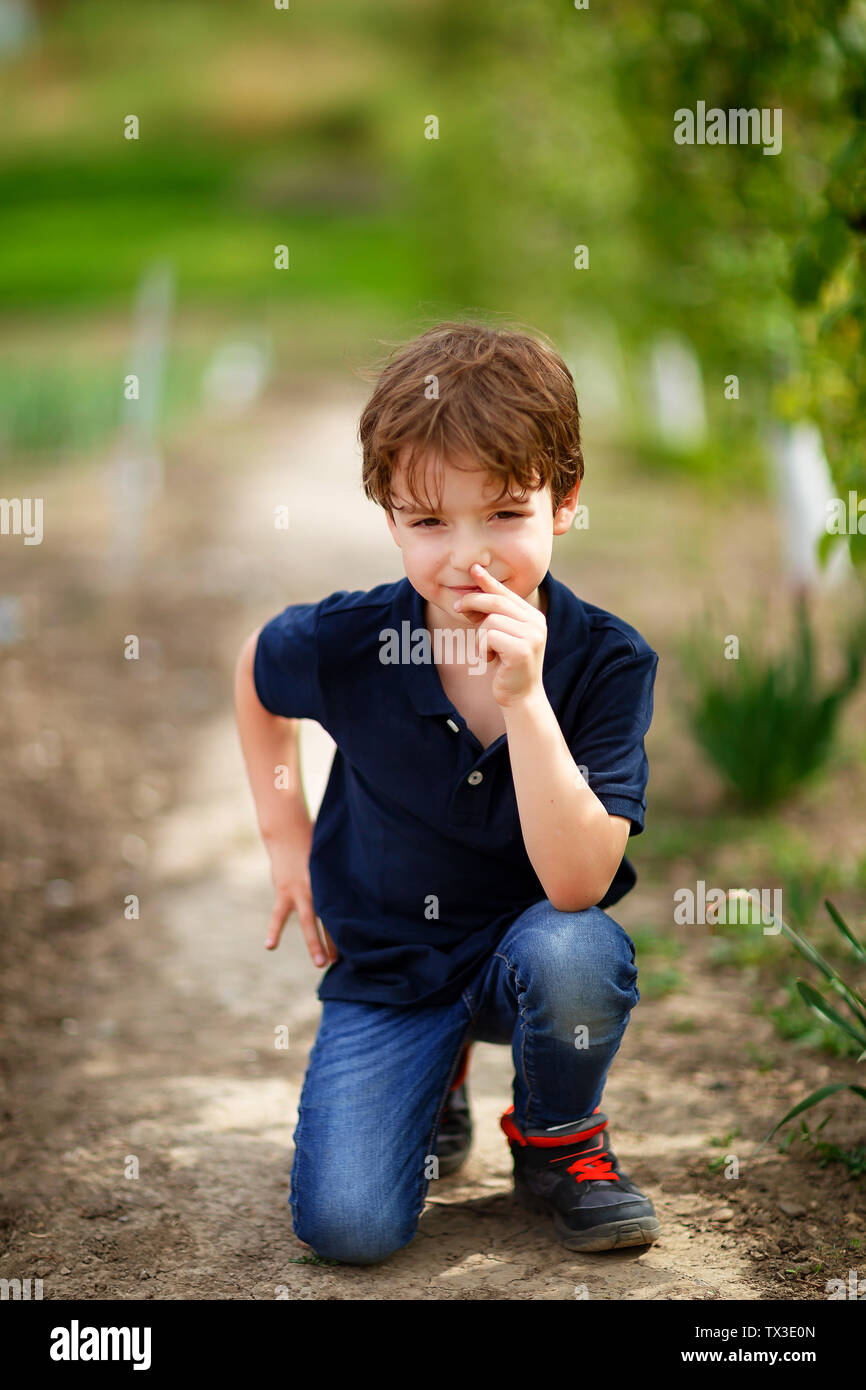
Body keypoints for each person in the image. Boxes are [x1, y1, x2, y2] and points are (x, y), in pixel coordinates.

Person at [234, 320, 661, 1264]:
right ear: (388, 515)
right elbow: (257, 673)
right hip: (394, 963)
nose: (469, 556)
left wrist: (524, 702)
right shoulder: (351, 643)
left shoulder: (607, 661)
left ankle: (559, 1143)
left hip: (529, 954)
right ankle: (440, 1069)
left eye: (506, 513)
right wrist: (283, 833)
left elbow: (579, 882)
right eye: (428, 523)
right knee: (346, 1228)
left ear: (566, 502)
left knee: (577, 951)